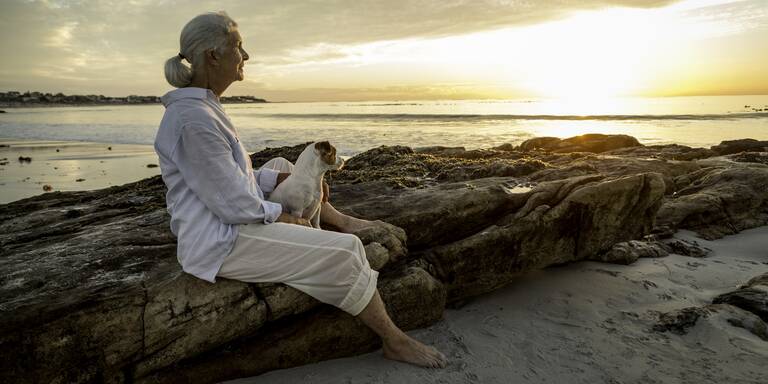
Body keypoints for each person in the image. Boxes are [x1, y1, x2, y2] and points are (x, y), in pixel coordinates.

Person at [156, 11, 446, 368]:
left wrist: (271, 181)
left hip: (227, 215)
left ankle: (338, 218)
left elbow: (226, 177)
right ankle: (393, 339)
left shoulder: (204, 107)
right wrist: (286, 217)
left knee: (282, 167)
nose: (245, 56)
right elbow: (232, 204)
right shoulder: (193, 120)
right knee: (347, 251)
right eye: (238, 47)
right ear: (213, 56)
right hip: (220, 240)